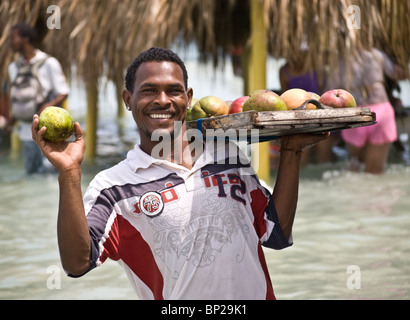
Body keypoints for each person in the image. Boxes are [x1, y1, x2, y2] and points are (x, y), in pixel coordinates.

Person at [32, 47, 328, 300]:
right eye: (148, 90)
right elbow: (77, 263)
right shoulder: (113, 188)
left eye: (173, 90)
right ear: (127, 99)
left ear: (188, 97)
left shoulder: (227, 155)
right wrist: (69, 172)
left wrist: (290, 152)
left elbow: (276, 233)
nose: (162, 100)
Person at [326, 48, 407, 174]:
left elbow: (330, 90)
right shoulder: (376, 54)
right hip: (380, 110)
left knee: (355, 167)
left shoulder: (340, 61)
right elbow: (397, 74)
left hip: (355, 114)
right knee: (375, 171)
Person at [8, 23, 69, 174]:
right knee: (32, 174)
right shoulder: (13, 67)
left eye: (14, 37)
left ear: (25, 39)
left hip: (48, 131)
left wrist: (46, 107)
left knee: (50, 173)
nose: (11, 41)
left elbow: (63, 92)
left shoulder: (49, 63)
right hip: (25, 131)